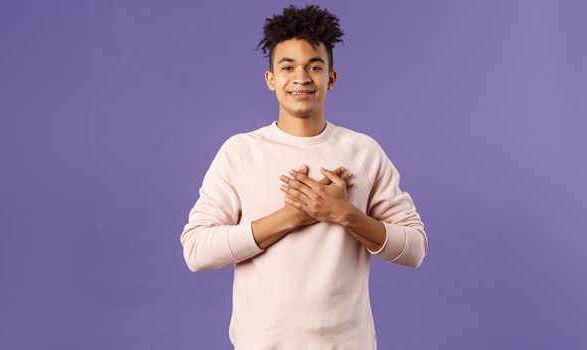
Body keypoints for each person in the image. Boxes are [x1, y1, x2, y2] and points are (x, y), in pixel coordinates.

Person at [180, 4, 428, 349]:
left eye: (315, 66)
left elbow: (415, 249)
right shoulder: (241, 151)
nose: (301, 77)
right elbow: (196, 250)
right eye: (288, 67)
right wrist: (292, 216)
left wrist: (343, 214)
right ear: (271, 80)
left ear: (331, 77)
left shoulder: (363, 151)